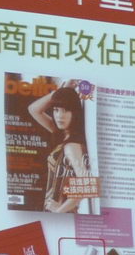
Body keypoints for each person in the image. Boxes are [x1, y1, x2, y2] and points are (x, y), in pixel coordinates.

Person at [27, 81, 91, 213]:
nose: (59, 116)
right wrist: (61, 91)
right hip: (53, 210)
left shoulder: (71, 146)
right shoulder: (62, 135)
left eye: (65, 110)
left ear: (74, 113)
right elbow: (33, 109)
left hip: (61, 212)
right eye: (56, 110)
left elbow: (87, 184)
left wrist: (59, 211)